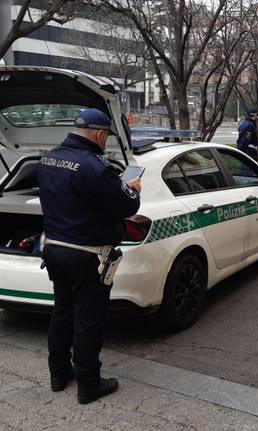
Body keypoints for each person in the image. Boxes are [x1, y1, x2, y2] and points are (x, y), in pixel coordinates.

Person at [37, 109, 141, 404]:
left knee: (62, 313)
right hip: (87, 255)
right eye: (106, 136)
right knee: (88, 320)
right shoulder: (97, 167)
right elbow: (127, 205)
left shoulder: (47, 158)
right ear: (98, 134)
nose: (105, 141)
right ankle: (89, 384)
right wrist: (132, 188)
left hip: (54, 250)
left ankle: (58, 374)